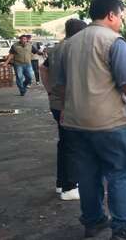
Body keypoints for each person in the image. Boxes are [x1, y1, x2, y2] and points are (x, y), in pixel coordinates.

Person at [58, 0, 126, 239]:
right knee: (120, 173)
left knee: (87, 176)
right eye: (120, 15)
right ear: (111, 15)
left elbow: (61, 84)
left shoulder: (70, 43)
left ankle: (93, 221)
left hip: (76, 124)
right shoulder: (113, 41)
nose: (120, 20)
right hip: (110, 124)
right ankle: (122, 229)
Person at [40, 19, 88, 201]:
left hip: (57, 103)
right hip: (69, 104)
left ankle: (61, 184)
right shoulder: (73, 49)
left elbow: (43, 70)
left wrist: (50, 91)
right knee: (74, 145)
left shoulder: (56, 48)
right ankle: (70, 186)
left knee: (65, 143)